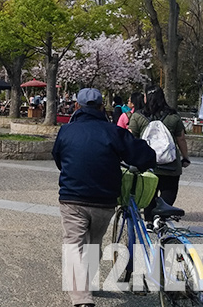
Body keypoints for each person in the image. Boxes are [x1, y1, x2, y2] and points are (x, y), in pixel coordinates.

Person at [52, 88, 156, 307]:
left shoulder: (66, 131)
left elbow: (59, 159)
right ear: (101, 107)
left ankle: (81, 299)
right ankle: (86, 285)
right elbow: (142, 155)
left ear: (77, 107)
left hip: (72, 197)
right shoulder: (113, 132)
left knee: (74, 244)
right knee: (94, 242)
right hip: (104, 200)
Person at [128, 85, 190, 225]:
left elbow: (131, 138)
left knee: (149, 192)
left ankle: (149, 221)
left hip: (147, 163)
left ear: (146, 98)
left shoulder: (138, 116)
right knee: (169, 190)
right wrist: (185, 157)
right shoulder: (173, 117)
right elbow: (181, 139)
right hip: (170, 164)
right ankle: (160, 217)